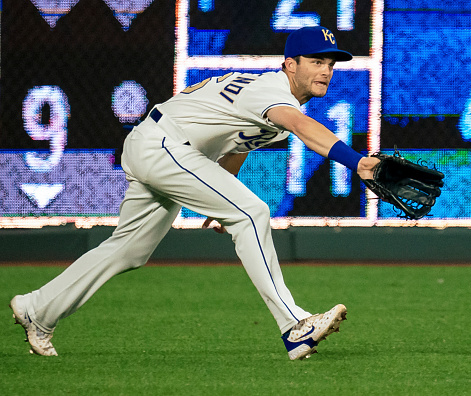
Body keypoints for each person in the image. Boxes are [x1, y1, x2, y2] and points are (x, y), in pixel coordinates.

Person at [9, 26, 380, 360]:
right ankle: (294, 325)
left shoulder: (276, 102)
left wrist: (222, 200)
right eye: (316, 61)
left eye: (331, 63)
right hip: (165, 145)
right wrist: (357, 162)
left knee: (129, 249)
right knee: (252, 213)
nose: (326, 71)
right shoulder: (272, 90)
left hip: (161, 148)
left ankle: (37, 310)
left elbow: (238, 145)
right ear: (290, 65)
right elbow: (300, 126)